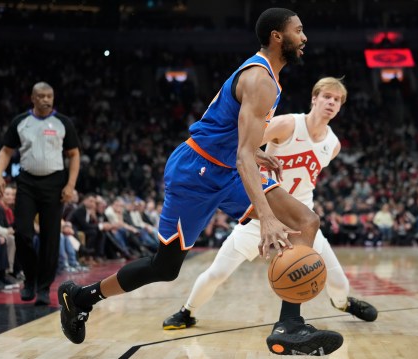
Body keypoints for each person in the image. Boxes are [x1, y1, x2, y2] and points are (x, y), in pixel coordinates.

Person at [58, 8, 345, 356]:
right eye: (299, 31)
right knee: (164, 268)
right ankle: (81, 296)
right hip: (197, 172)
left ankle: (289, 325)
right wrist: (267, 216)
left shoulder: (268, 78)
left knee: (306, 220)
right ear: (277, 36)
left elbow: (235, 139)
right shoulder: (261, 80)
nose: (304, 38)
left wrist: (256, 153)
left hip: (226, 169)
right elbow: (240, 154)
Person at [162, 77, 377, 332]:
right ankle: (187, 312)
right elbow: (243, 142)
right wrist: (253, 155)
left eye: (337, 99)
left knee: (339, 281)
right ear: (314, 99)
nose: (331, 102)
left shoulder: (334, 145)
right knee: (218, 272)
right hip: (262, 214)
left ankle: (342, 304)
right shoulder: (288, 124)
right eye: (327, 96)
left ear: (340, 106)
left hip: (301, 221)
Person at [0, 82, 81, 306]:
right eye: (41, 96)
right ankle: (30, 278)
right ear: (32, 98)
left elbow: (74, 154)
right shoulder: (20, 122)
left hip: (55, 183)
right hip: (27, 182)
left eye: (49, 96)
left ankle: (43, 288)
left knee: (50, 238)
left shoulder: (63, 123)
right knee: (22, 232)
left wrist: (70, 185)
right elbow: (6, 150)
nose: (46, 100)